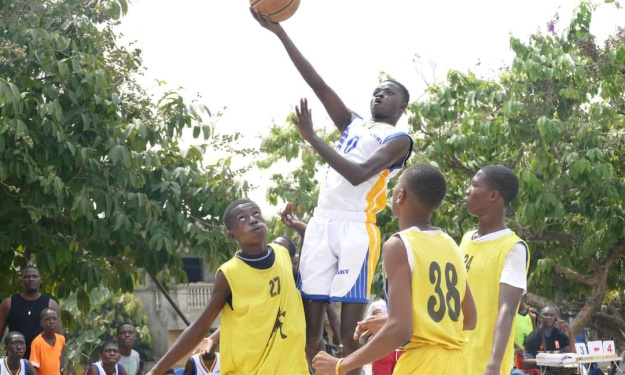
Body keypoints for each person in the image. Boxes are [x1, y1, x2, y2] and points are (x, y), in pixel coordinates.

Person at [252, 11, 414, 374]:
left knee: (347, 337)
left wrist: (312, 139)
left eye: (387, 92)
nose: (378, 94)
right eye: (376, 90)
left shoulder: (398, 139)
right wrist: (280, 33)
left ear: (401, 106)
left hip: (357, 229)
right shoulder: (353, 123)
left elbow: (357, 174)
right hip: (323, 225)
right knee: (310, 334)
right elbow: (318, 83)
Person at [312, 164, 477, 374]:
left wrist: (340, 365)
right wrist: (392, 321)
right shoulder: (451, 244)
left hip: (423, 364)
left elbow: (401, 330)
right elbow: (469, 319)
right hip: (459, 364)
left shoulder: (398, 245)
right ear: (436, 206)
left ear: (400, 196)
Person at [146, 199, 308, 375]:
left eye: (256, 213)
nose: (253, 219)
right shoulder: (229, 274)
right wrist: (155, 371)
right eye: (242, 218)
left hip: (293, 369)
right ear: (232, 236)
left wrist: (303, 230)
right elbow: (200, 326)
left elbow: (310, 276)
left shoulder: (282, 254)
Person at [461, 165, 530, 375]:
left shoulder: (513, 248)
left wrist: (493, 364)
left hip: (482, 364)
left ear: (493, 195)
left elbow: (507, 310)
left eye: (474, 185)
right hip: (453, 355)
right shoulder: (465, 240)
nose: (467, 191)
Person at [0, 265, 63, 358]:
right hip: (15, 361)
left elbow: (59, 338)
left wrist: (59, 366)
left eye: (35, 276)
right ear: (21, 281)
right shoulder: (8, 303)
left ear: (40, 280)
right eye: (27, 277)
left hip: (43, 360)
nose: (31, 279)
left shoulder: (51, 305)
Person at [523, 306, 577, 375]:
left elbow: (572, 353)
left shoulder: (560, 334)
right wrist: (544, 360)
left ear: (556, 318)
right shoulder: (534, 336)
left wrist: (570, 332)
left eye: (551, 315)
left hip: (559, 370)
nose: (548, 317)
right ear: (541, 318)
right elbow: (526, 362)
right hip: (542, 371)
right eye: (545, 315)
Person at [29, 308, 65, 375]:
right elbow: (34, 369)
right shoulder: (37, 343)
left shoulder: (61, 339)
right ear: (41, 323)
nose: (51, 321)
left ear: (58, 321)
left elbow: (60, 362)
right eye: (47, 319)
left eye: (54, 319)